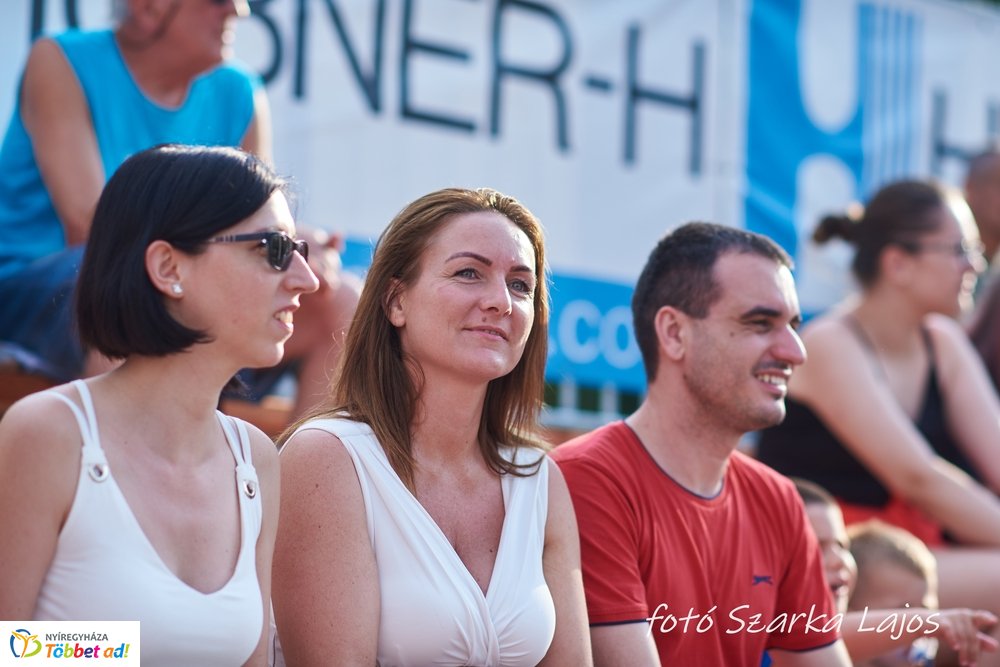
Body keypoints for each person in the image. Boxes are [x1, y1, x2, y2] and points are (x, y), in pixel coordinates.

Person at [0, 144, 312, 664]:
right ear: (168, 266)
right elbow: (6, 646)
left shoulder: (254, 459)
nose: (307, 278)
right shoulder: (49, 432)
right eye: (274, 248)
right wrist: (137, 646)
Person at [270, 187, 592, 666]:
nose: (501, 302)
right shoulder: (327, 458)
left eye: (521, 285)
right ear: (396, 302)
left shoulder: (539, 476)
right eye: (469, 273)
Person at [0, 0, 357, 424]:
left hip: (179, 274)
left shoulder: (239, 89)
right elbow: (91, 228)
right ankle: (126, 474)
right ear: (148, 7)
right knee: (139, 275)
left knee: (340, 298)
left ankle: (295, 483)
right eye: (217, 0)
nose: (239, 11)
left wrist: (299, 244)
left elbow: (254, 220)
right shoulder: (60, 60)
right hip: (39, 289)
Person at [551, 222, 851, 666]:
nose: (795, 351)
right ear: (673, 333)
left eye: (793, 324)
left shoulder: (779, 499)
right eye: (760, 323)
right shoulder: (585, 480)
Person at [756, 179, 1000, 663]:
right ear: (897, 264)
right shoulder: (829, 343)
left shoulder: (942, 342)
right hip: (833, 557)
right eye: (960, 250)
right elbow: (919, 479)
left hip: (907, 555)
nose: (975, 265)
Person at [794, 479, 998, 667]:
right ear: (853, 610)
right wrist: (922, 622)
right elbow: (819, 634)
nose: (838, 559)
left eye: (841, 546)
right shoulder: (783, 636)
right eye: (818, 547)